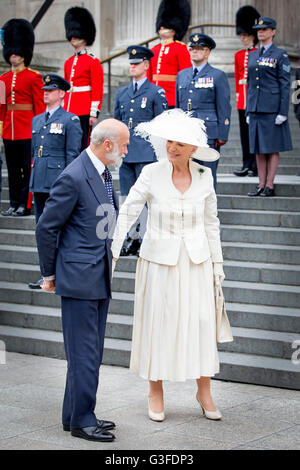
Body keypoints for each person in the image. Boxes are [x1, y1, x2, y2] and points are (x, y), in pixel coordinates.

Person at [111, 109, 233, 422]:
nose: (172, 147)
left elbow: (211, 223)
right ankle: (155, 390)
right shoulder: (151, 172)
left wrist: (217, 264)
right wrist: (111, 250)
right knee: (158, 324)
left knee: (201, 324)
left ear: (193, 149)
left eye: (180, 143)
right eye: (169, 142)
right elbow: (127, 212)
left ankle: (204, 390)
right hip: (159, 262)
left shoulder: (205, 176)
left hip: (197, 262)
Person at [35, 118, 130, 442]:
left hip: (97, 274)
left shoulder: (101, 172)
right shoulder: (74, 176)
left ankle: (74, 414)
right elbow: (46, 227)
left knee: (86, 351)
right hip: (78, 278)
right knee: (86, 353)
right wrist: (49, 274)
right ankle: (82, 421)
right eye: (124, 145)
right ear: (107, 145)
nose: (127, 151)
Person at [28, 73, 82, 290]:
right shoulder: (37, 120)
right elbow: (35, 151)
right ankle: (46, 274)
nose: (46, 93)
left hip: (58, 183)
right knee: (42, 229)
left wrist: (68, 184)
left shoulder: (71, 120)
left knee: (59, 229)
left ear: (61, 93)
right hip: (40, 181)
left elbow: (72, 155)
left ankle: (62, 273)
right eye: (44, 90)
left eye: (50, 90)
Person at [114, 45, 168, 256]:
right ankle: (131, 237)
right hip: (127, 154)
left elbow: (162, 125)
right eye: (131, 64)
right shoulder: (123, 93)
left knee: (147, 198)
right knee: (129, 199)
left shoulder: (155, 92)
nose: (132, 67)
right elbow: (117, 123)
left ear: (146, 65)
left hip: (147, 153)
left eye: (137, 64)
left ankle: (146, 237)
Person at [0, 19, 45, 216]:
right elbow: (1, 107)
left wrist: (39, 128)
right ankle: (14, 202)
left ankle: (25, 205)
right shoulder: (3, 79)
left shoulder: (33, 77)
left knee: (27, 169)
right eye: (11, 51)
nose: (13, 55)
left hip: (27, 128)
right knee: (12, 169)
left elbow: (39, 106)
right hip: (9, 130)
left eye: (17, 51)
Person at [175, 33, 231, 189]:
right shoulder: (182, 75)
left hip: (208, 132)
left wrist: (222, 132)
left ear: (207, 52)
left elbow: (224, 106)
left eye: (200, 49)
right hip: (186, 133)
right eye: (192, 48)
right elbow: (178, 106)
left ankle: (208, 210)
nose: (195, 51)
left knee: (206, 173)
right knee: (186, 173)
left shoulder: (217, 75)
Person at [246, 17, 293, 198]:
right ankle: (260, 184)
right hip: (256, 107)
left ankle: (270, 185)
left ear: (273, 31)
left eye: (265, 29)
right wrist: (249, 109)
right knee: (258, 148)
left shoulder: (280, 54)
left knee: (272, 148)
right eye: (259, 30)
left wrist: (283, 111)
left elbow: (284, 84)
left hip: (272, 108)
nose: (261, 33)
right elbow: (250, 84)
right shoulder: (252, 54)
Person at [64, 6, 104, 151]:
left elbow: (97, 89)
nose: (74, 37)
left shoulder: (92, 61)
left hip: (83, 109)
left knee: (82, 145)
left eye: (77, 34)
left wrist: (93, 113)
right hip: (68, 107)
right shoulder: (68, 62)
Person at [147, 0, 192, 108]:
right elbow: (149, 75)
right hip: (153, 97)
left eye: (165, 26)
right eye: (161, 25)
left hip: (172, 97)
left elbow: (185, 75)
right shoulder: (154, 50)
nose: (162, 27)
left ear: (174, 30)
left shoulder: (180, 48)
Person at [233, 6, 260, 177]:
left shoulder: (259, 53)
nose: (243, 38)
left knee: (255, 135)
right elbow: (237, 77)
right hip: (242, 99)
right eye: (242, 35)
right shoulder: (238, 55)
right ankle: (246, 164)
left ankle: (256, 166)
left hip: (254, 98)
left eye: (246, 35)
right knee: (244, 135)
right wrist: (238, 96)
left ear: (252, 35)